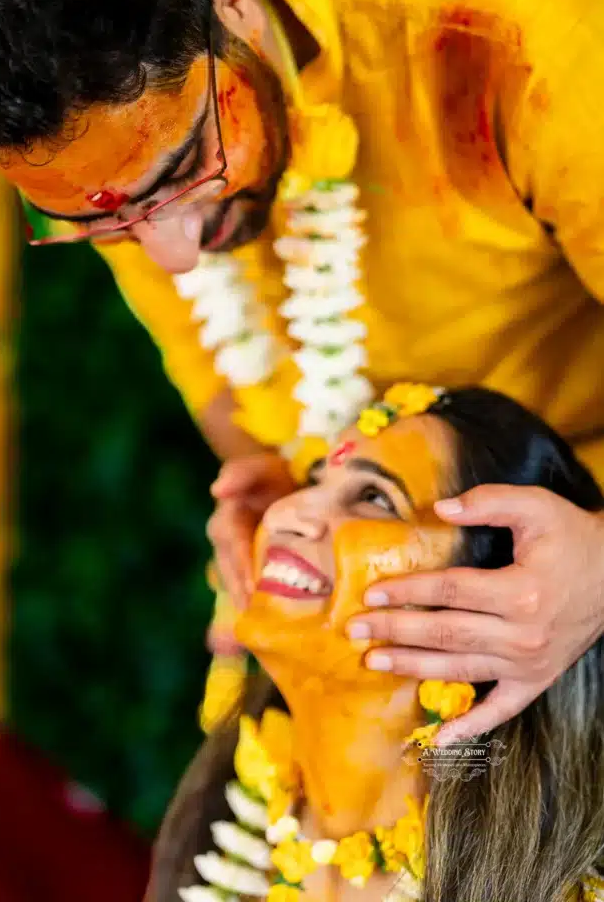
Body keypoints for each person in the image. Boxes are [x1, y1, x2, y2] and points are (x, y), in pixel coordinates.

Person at [0, 0, 604, 737]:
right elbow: (217, 373)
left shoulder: (521, 23)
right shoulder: (107, 125)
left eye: (182, 173)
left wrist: (597, 568)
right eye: (95, 222)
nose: (171, 252)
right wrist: (276, 490)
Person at [148, 385, 604, 902]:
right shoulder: (221, 829)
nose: (286, 512)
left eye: (374, 498)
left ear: (506, 599)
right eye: (311, 480)